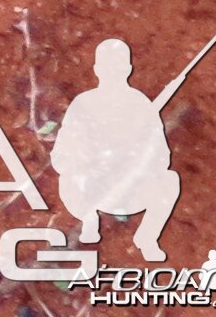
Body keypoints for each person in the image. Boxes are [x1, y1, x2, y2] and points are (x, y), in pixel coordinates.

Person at [54, 36, 184, 263]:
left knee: (169, 181)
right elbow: (60, 157)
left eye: (118, 66)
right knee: (68, 180)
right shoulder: (83, 104)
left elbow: (162, 156)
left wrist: (136, 157)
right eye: (107, 66)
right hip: (89, 188)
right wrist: (91, 157)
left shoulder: (140, 103)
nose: (112, 72)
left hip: (129, 188)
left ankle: (147, 238)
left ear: (128, 69)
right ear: (97, 69)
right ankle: (89, 220)